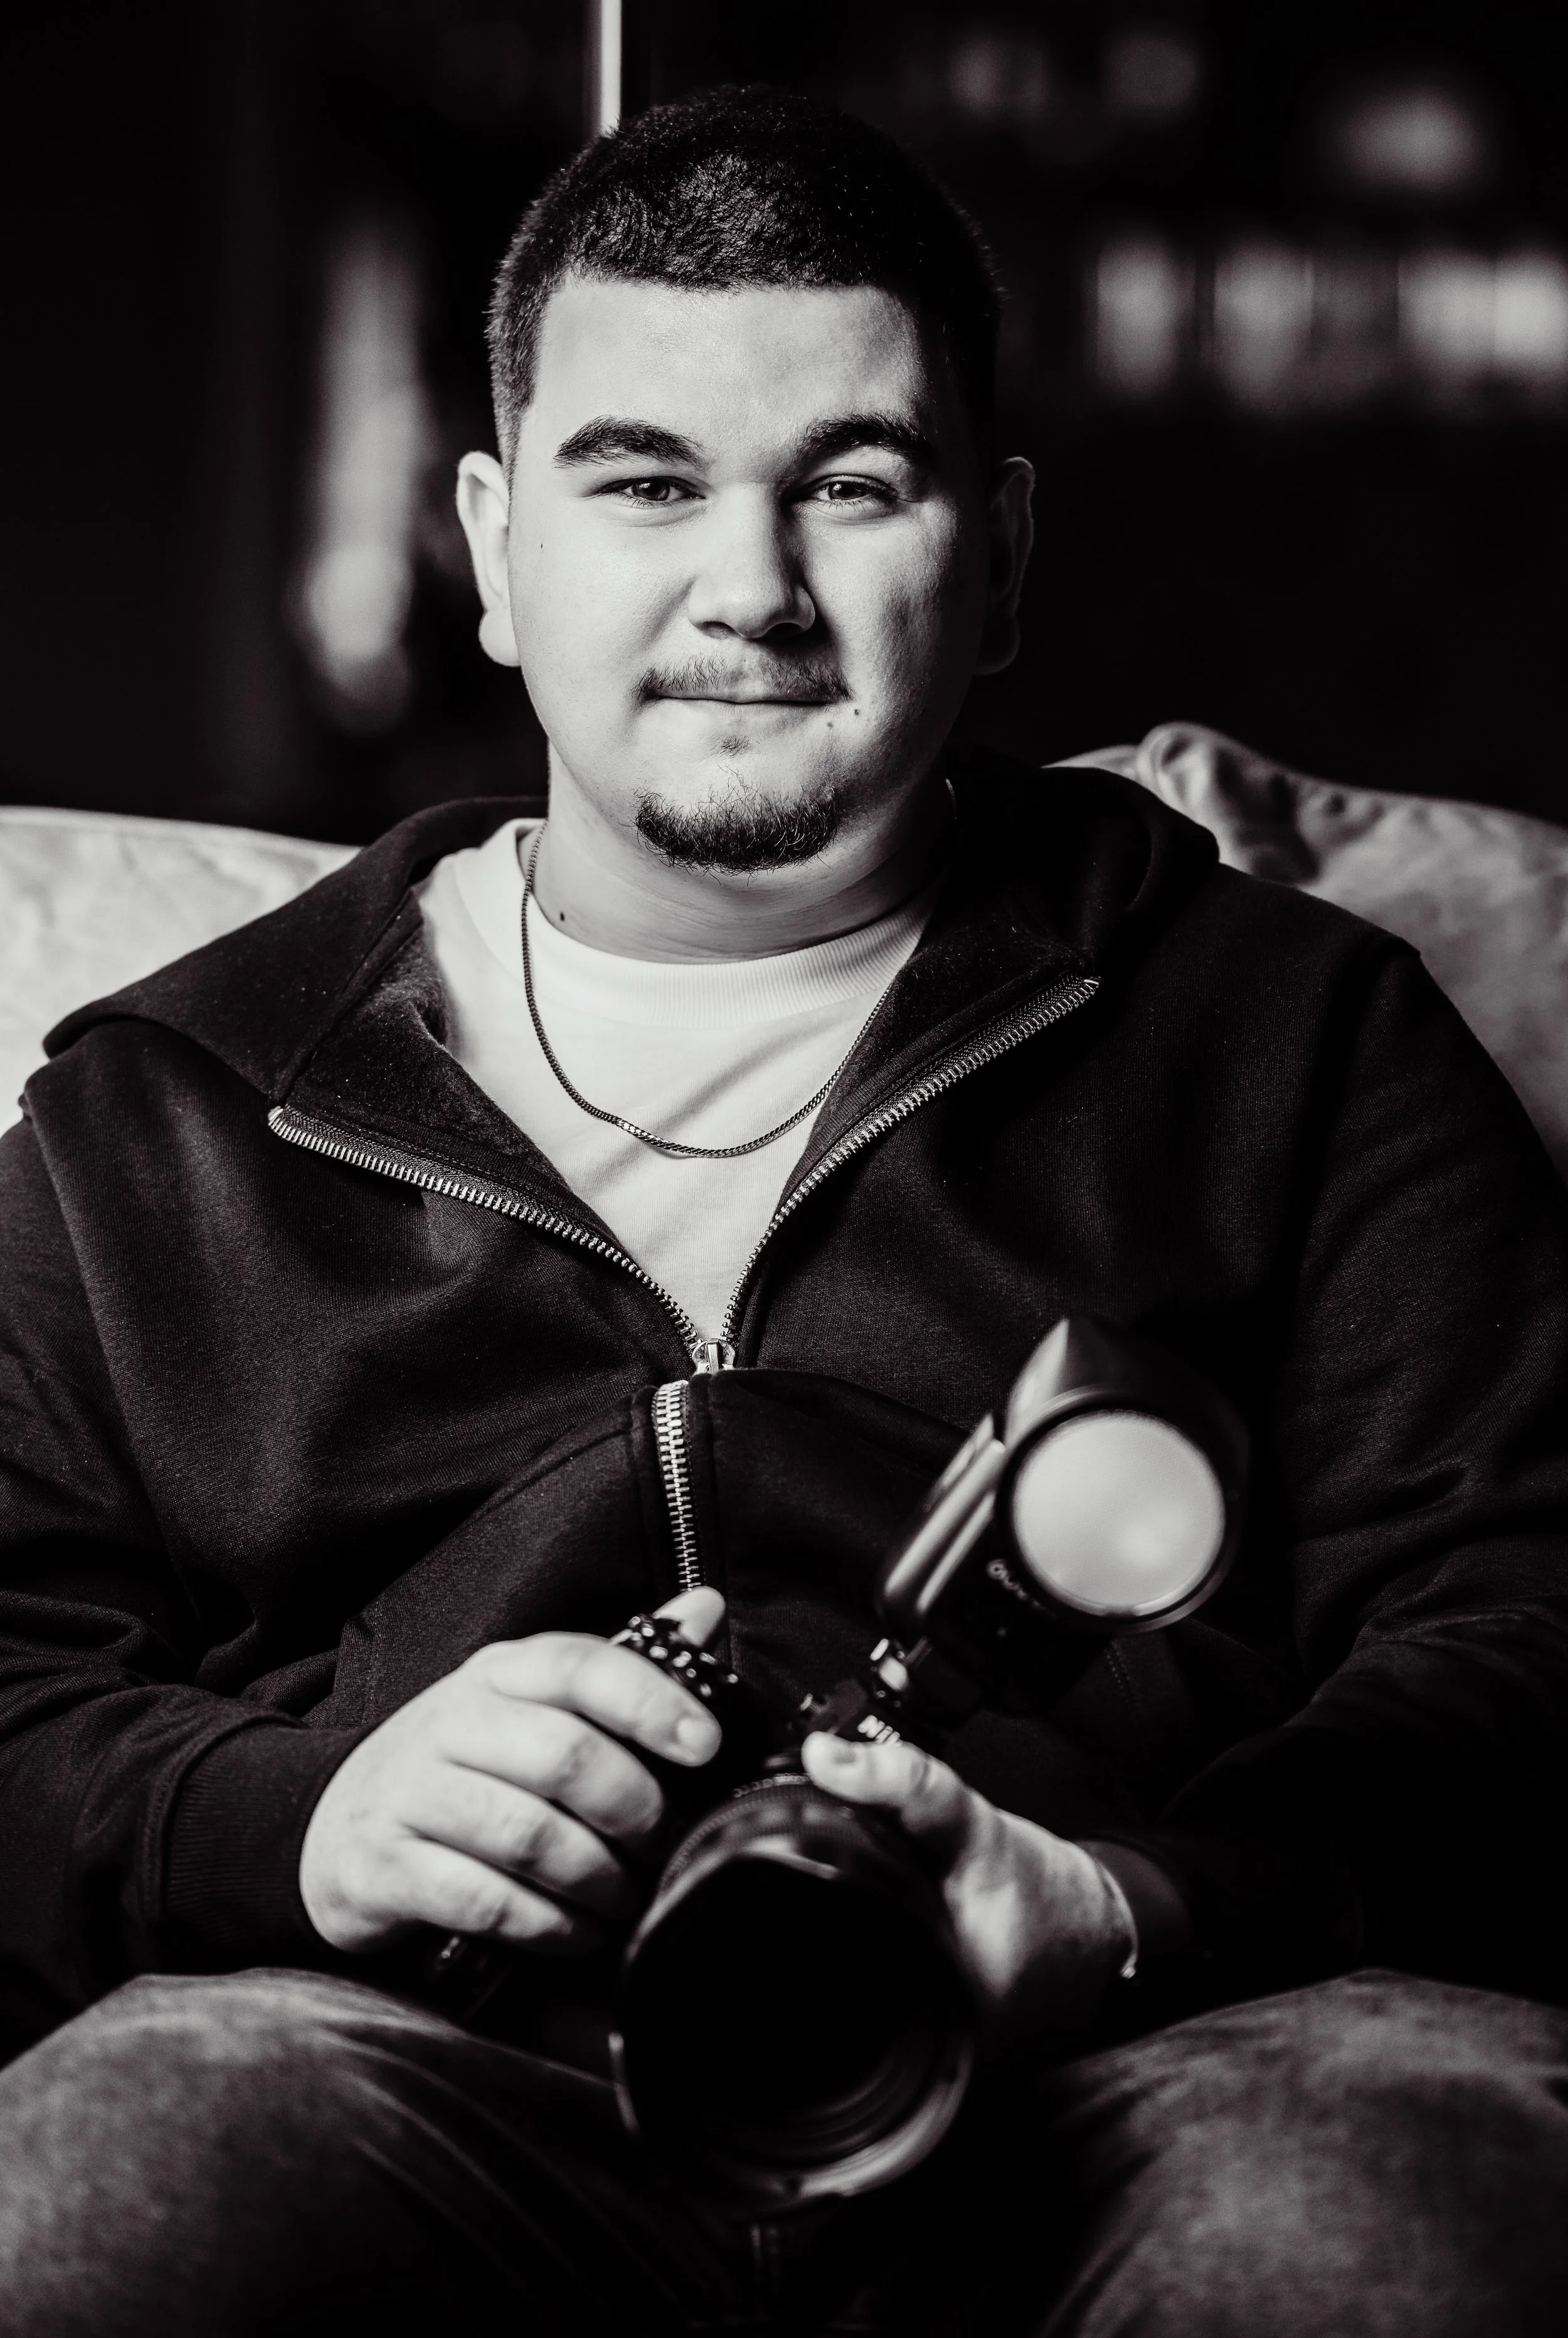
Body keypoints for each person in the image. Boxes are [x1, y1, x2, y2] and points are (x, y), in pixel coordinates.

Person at [2, 83, 1568, 2337]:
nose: (748, 591)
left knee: (1375, 2205)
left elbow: (1522, 1619)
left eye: (851, 485)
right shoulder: (164, 1117)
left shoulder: (1289, 1035)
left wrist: (1129, 1899)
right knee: (113, 2186)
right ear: (491, 540)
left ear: (1001, 550)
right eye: (640, 483)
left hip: (1151, 2052)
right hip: (413, 2062)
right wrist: (293, 1822)